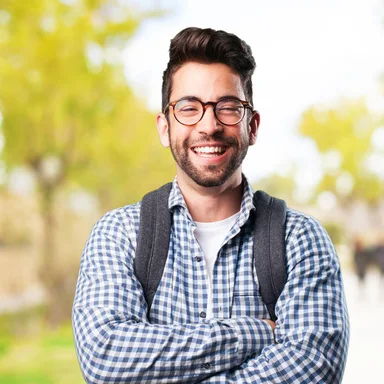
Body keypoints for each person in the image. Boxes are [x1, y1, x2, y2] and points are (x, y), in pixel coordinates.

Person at [72, 27, 349, 383]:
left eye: (228, 108)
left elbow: (313, 369)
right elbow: (106, 358)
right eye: (189, 108)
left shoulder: (300, 239)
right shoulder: (120, 234)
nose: (209, 125)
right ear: (164, 127)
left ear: (252, 125)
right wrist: (256, 333)